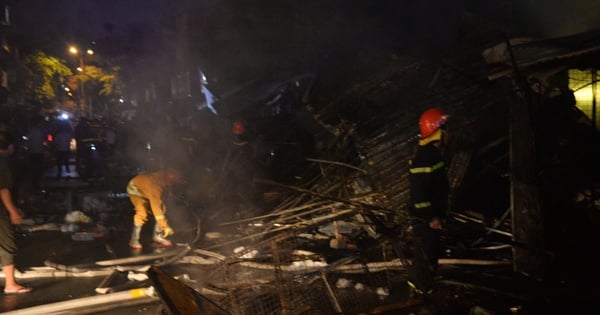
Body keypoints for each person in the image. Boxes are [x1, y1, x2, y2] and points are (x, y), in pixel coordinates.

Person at [407, 107, 449, 295]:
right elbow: (418, 194)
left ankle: (425, 286)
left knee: (431, 252)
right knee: (424, 254)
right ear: (437, 131)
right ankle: (419, 290)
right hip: (424, 218)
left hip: (431, 216)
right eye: (445, 128)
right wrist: (431, 217)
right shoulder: (424, 156)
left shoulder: (431, 153)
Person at [0, 128, 32, 294]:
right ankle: (10, 284)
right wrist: (13, 211)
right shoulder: (2, 161)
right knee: (6, 244)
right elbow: (3, 189)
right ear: (10, 146)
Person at [126, 168, 183, 249]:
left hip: (146, 189)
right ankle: (134, 240)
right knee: (142, 213)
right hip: (135, 189)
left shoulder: (163, 178)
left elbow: (163, 198)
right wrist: (165, 227)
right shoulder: (155, 186)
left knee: (163, 208)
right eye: (171, 183)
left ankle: (158, 236)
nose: (172, 184)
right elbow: (156, 209)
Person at [26, 115, 48, 190]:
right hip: (37, 151)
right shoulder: (40, 131)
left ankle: (35, 182)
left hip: (35, 151)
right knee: (37, 167)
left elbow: (28, 140)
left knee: (35, 167)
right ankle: (35, 183)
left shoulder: (35, 131)